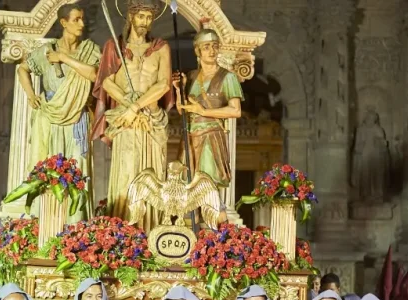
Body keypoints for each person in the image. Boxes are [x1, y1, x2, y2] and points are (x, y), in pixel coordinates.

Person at [93, 0, 174, 232]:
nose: (145, 22)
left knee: (152, 173)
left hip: (150, 118)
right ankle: (123, 232)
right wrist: (127, 104)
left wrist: (136, 106)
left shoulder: (161, 48)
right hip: (126, 120)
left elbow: (163, 84)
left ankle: (152, 230)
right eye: (141, 17)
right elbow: (106, 81)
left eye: (149, 18)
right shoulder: (114, 46)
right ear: (130, 16)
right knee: (126, 171)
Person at [17, 4, 100, 222]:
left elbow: (93, 74)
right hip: (50, 117)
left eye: (82, 19)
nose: (82, 24)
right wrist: (30, 94)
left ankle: (75, 227)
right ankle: (46, 224)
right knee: (48, 170)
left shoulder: (89, 50)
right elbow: (22, 69)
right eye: (76, 20)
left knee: (77, 171)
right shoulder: (46, 51)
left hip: (76, 118)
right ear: (63, 23)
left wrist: (64, 58)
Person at [172, 25, 242, 205]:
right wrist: (179, 90)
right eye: (206, 47)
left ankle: (213, 230)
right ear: (198, 51)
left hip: (211, 137)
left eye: (214, 45)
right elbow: (183, 110)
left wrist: (204, 111)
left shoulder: (227, 77)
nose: (211, 50)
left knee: (208, 186)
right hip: (190, 137)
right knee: (188, 188)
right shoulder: (192, 76)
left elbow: (235, 110)